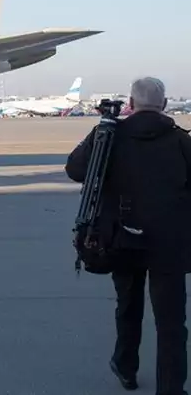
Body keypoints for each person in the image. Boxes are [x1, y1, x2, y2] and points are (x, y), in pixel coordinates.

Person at [65, 76, 191, 394]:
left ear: (131, 105)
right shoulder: (181, 140)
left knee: (128, 306)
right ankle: (171, 388)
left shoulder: (109, 135)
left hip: (122, 238)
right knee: (172, 322)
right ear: (163, 105)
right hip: (170, 243)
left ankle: (125, 367)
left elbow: (75, 170)